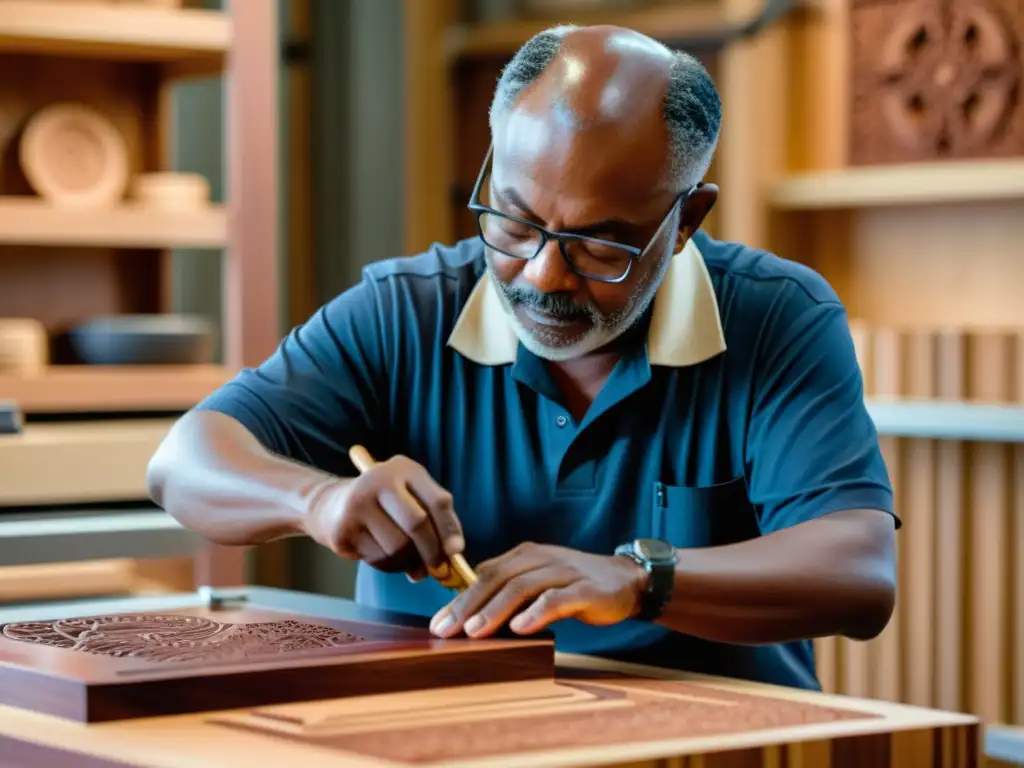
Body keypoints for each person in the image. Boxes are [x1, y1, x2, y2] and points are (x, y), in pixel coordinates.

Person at [147, 24, 898, 691]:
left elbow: (857, 574)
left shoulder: (777, 318)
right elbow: (183, 461)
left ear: (687, 219)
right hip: (444, 735)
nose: (543, 274)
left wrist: (640, 579)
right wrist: (318, 502)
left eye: (599, 243)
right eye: (514, 221)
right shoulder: (404, 312)